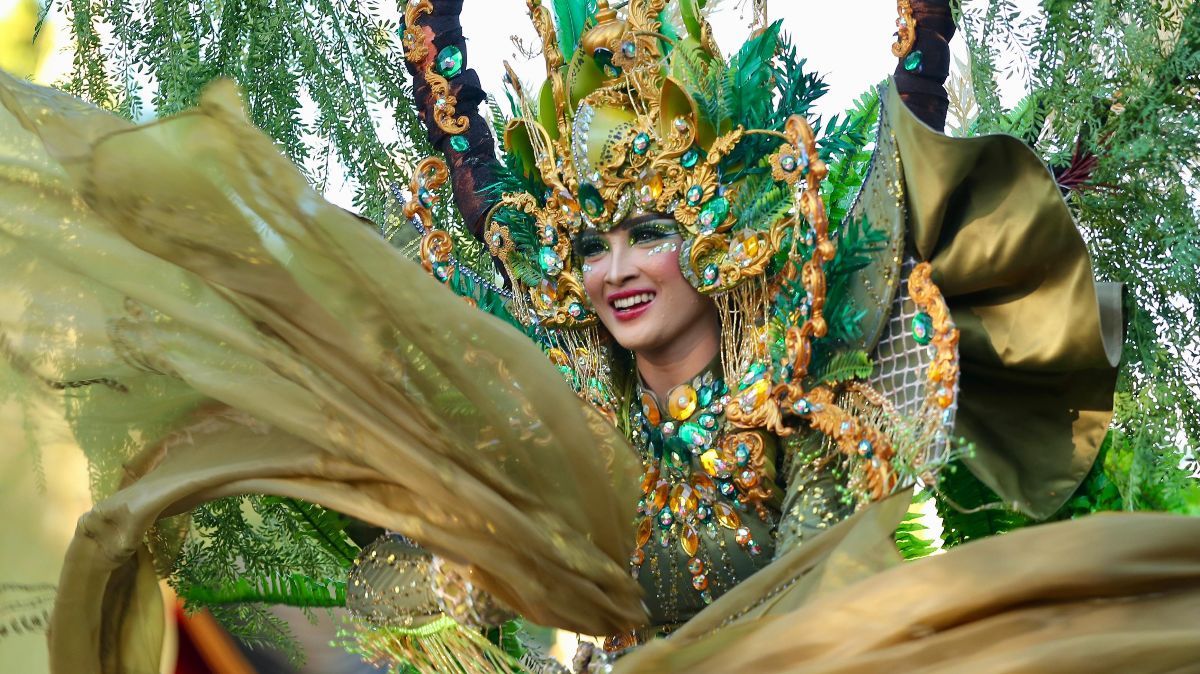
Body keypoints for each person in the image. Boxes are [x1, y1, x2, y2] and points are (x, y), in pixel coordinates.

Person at [0, 1, 1197, 673]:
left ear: (718, 233)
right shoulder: (572, 405)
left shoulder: (809, 391)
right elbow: (445, 580)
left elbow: (841, 583)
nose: (615, 270)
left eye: (646, 231)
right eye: (589, 242)